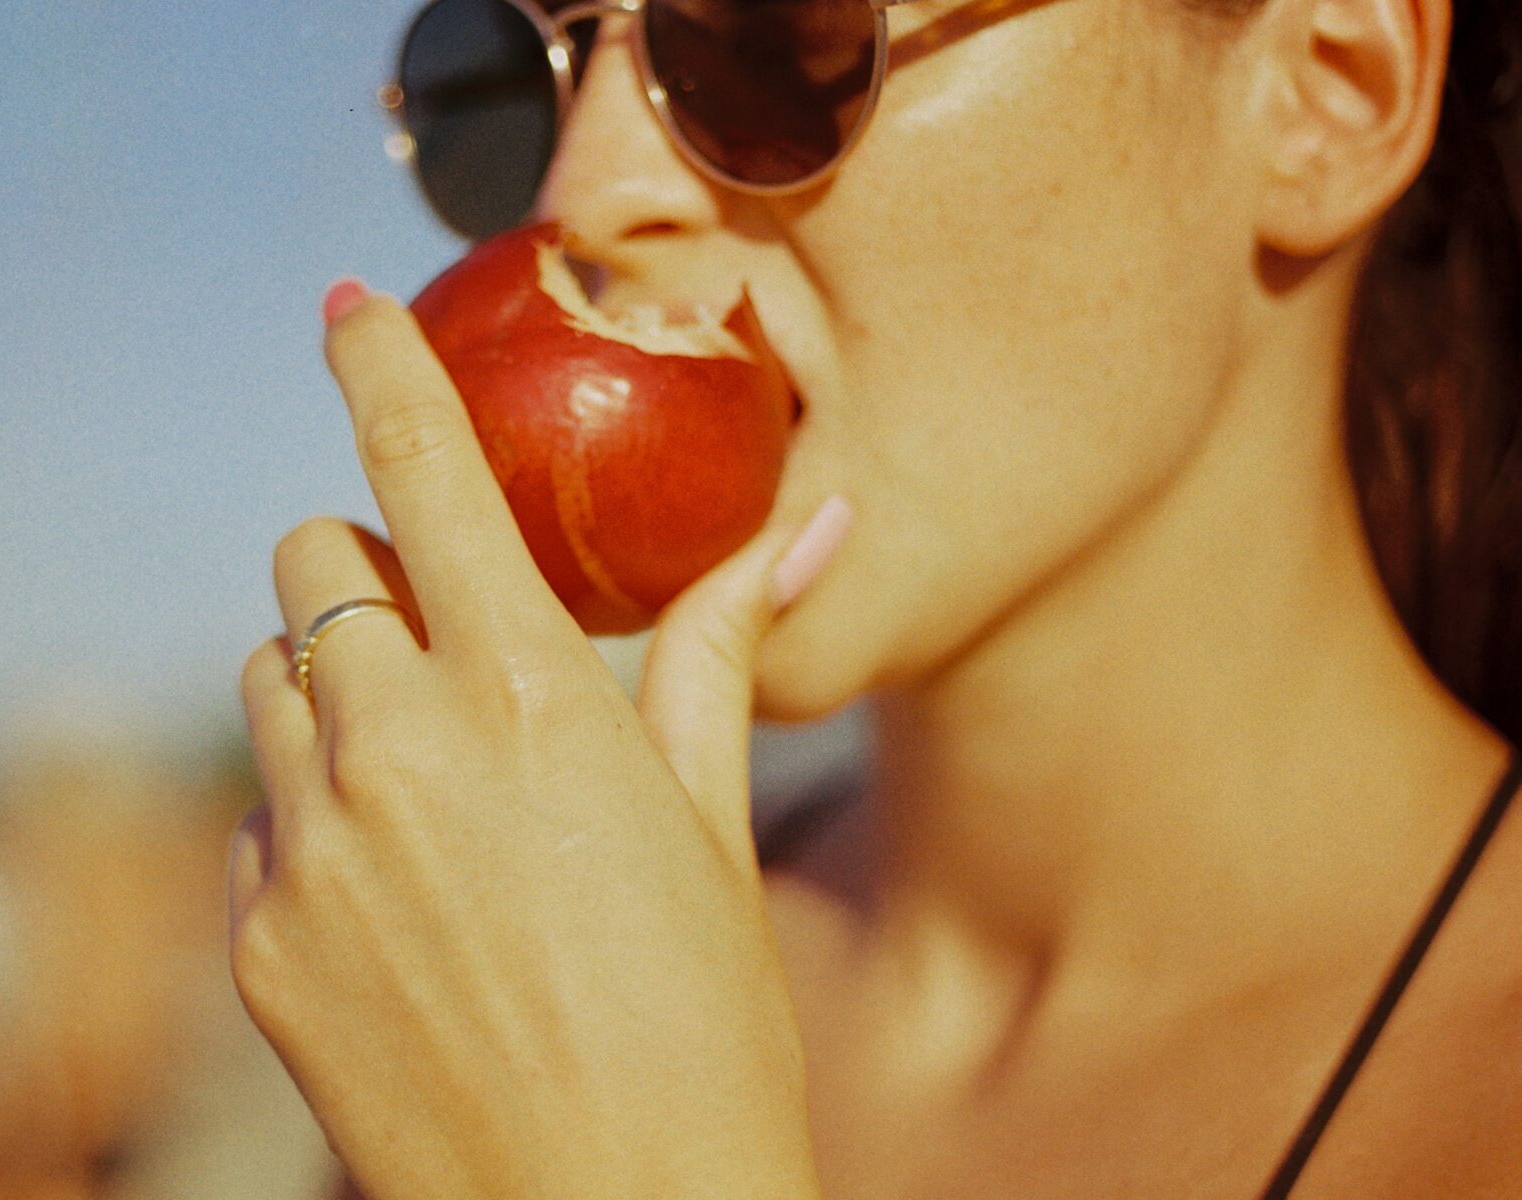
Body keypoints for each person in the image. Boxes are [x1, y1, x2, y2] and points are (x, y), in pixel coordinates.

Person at [230, 0, 1522, 1195]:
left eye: (775, 42)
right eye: (518, 83)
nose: (583, 192)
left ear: (1330, 89)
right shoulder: (501, 997)